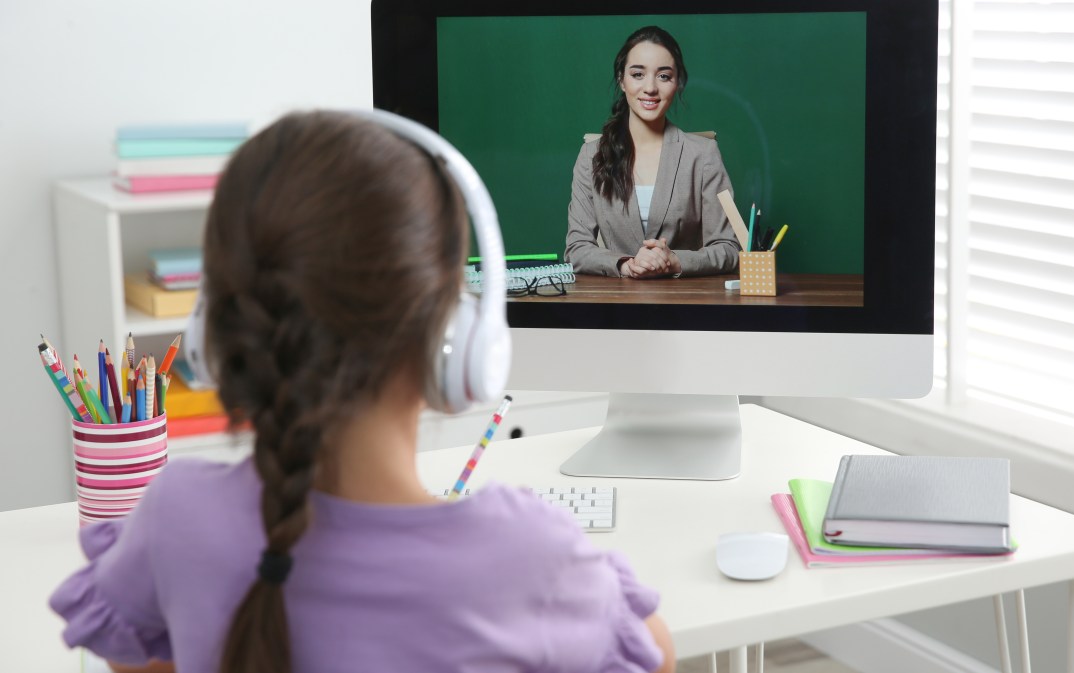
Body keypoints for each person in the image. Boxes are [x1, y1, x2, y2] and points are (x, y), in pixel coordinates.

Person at [49, 111, 676, 673]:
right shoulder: (527, 556)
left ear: (214, 328)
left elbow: (134, 658)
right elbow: (656, 656)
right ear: (456, 339)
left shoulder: (174, 520)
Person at [566, 26, 742, 279]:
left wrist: (675, 261)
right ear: (621, 80)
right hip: (615, 303)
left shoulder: (703, 154)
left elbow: (728, 248)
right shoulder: (591, 155)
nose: (650, 88)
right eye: (638, 74)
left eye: (663, 76)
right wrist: (626, 264)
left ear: (677, 82)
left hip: (688, 303)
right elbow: (576, 249)